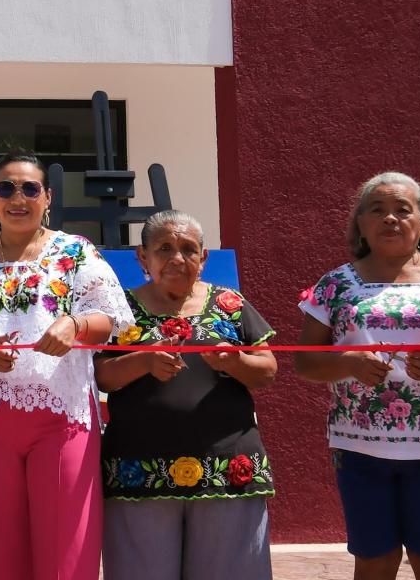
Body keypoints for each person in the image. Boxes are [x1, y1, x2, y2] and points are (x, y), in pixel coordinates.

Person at [296, 171, 420, 580]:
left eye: (402, 210)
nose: (390, 218)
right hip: (359, 447)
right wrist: (350, 362)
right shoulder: (334, 285)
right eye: (377, 210)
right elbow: (305, 362)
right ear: (361, 224)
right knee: (374, 562)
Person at [0, 152, 131, 580]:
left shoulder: (76, 251)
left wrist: (75, 323)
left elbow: (110, 318)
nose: (18, 198)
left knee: (66, 550)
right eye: (6, 188)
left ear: (47, 198)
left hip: (63, 418)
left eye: (30, 188)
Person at [96, 210, 278, 580]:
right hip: (138, 473)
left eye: (188, 249)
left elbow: (268, 371)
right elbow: (101, 377)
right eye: (164, 248)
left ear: (203, 257)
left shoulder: (229, 304)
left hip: (226, 471)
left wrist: (235, 361)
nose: (177, 258)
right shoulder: (119, 310)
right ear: (142, 257)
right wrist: (144, 361)